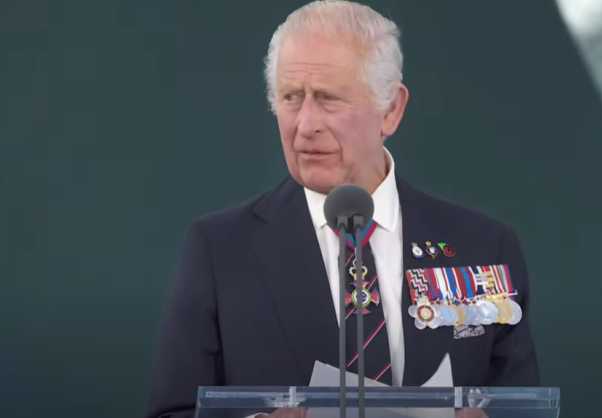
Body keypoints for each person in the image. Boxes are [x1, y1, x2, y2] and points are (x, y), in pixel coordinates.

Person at [142, 1, 539, 417]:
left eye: (328, 99)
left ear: (391, 110)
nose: (305, 124)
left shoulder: (485, 247)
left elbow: (520, 408)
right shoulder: (220, 251)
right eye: (291, 97)